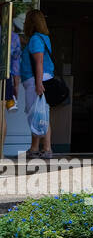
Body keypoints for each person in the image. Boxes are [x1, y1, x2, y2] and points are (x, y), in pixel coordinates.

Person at [19, 9, 54, 160]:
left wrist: (38, 84)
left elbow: (39, 63)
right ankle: (35, 148)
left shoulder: (35, 40)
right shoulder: (42, 38)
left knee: (39, 115)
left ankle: (46, 148)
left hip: (36, 80)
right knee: (39, 114)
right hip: (39, 79)